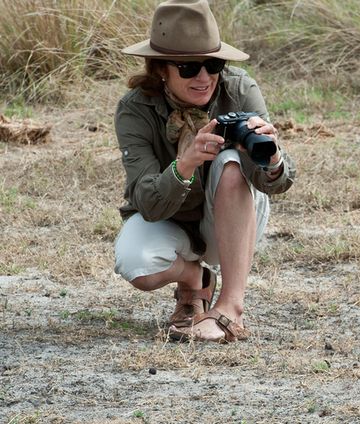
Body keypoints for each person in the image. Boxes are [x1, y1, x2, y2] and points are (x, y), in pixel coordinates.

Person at [113, 0, 295, 343]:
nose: (204, 77)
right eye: (188, 67)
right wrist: (186, 163)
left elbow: (274, 184)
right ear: (160, 69)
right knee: (135, 263)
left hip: (232, 219)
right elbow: (146, 202)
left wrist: (272, 160)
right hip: (170, 220)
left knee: (229, 164)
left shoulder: (240, 89)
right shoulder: (134, 109)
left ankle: (230, 308)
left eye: (213, 64)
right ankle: (195, 278)